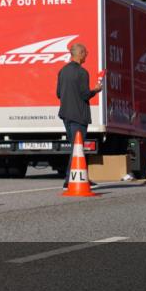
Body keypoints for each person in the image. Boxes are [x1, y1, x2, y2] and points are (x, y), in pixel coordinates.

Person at [56, 42, 104, 187]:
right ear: (80, 53)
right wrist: (95, 90)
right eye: (86, 53)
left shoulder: (62, 71)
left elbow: (58, 94)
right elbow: (84, 95)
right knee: (77, 148)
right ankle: (69, 180)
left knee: (74, 148)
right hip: (79, 115)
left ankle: (80, 176)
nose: (87, 55)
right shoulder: (82, 72)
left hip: (65, 114)